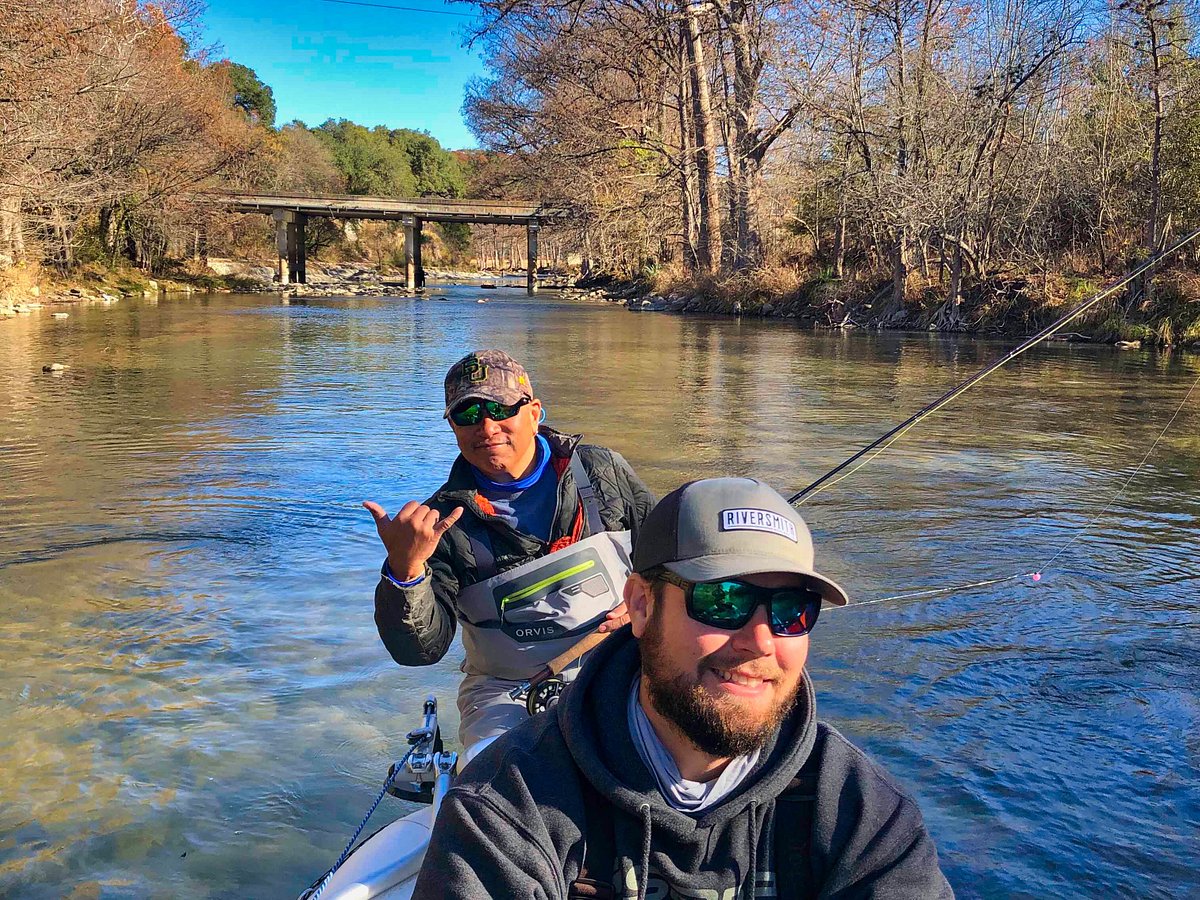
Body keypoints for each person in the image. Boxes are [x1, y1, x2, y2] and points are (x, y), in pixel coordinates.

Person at [413, 477, 953, 899]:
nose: (761, 641)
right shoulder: (506, 807)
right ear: (642, 605)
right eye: (722, 601)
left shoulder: (864, 816)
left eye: (793, 610)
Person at [363, 349, 655, 760]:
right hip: (504, 691)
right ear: (452, 427)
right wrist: (404, 570)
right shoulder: (439, 525)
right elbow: (418, 653)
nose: (486, 427)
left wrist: (651, 605)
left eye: (500, 409)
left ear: (534, 412)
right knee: (498, 783)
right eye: (467, 415)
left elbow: (668, 561)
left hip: (624, 667)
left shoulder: (603, 472)